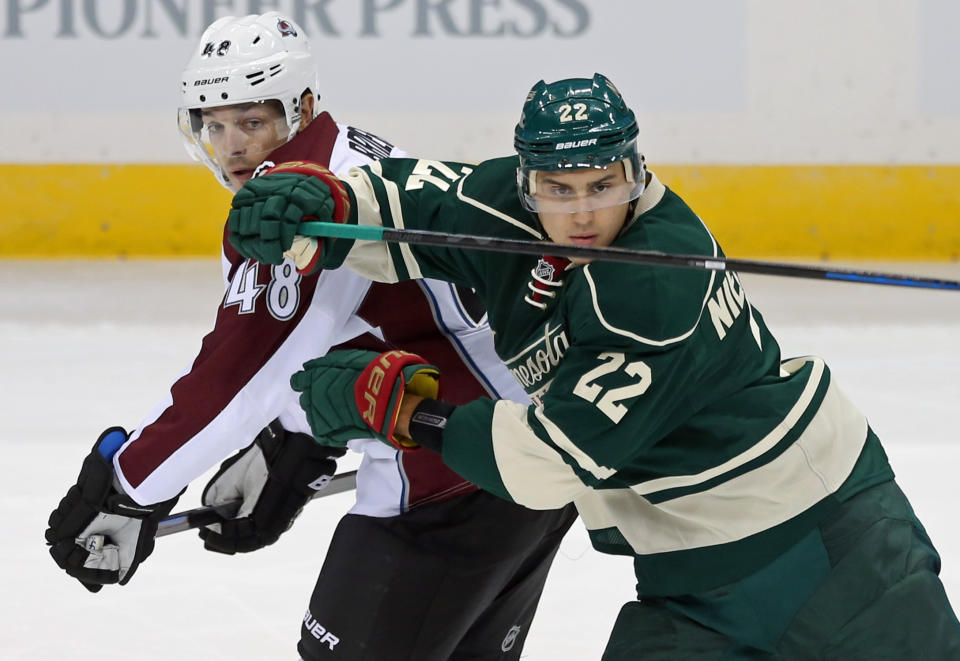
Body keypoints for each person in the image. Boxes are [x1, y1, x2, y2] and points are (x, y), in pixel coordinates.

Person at [225, 72, 960, 659]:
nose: (582, 212)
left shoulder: (650, 290)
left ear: (636, 174)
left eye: (603, 186)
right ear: (527, 183)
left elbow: (549, 464)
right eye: (560, 189)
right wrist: (324, 201)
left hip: (829, 544)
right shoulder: (507, 204)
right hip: (686, 576)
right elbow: (412, 203)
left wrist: (401, 411)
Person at [44, 13, 577, 660]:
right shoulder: (358, 150)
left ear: (300, 108)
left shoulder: (291, 202)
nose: (232, 146)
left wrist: (128, 486)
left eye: (251, 121)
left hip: (449, 483)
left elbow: (239, 378)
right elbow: (362, 328)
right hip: (534, 458)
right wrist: (299, 439)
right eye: (213, 125)